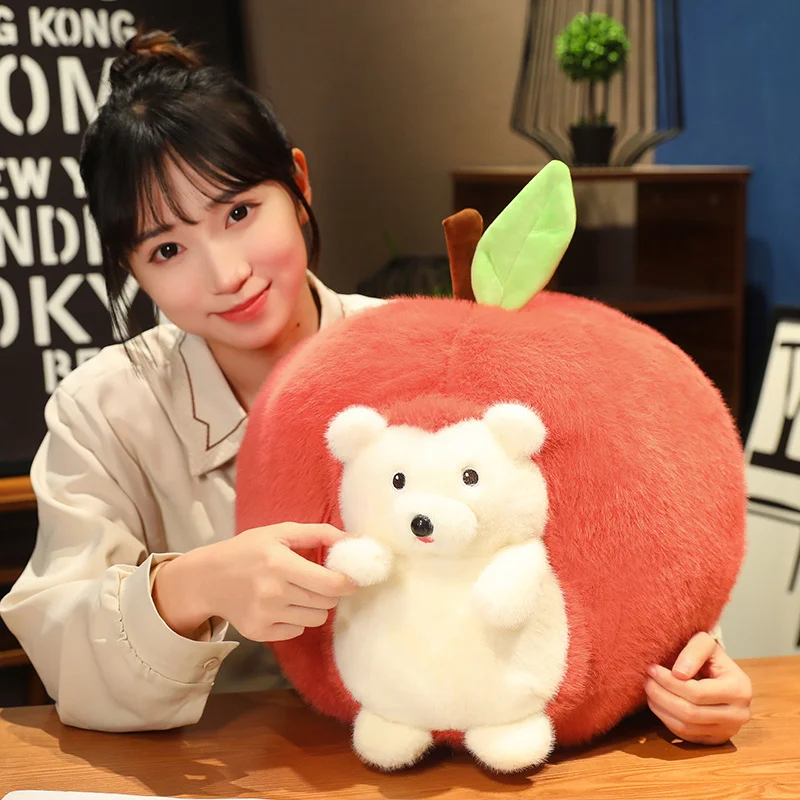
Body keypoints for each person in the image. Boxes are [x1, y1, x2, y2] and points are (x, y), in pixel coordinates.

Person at [0, 30, 751, 745]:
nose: (226, 273)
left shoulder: (434, 353)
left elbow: (583, 532)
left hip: (460, 760)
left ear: (298, 183)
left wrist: (693, 669)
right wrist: (192, 588)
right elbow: (61, 647)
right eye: (168, 249)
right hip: (223, 768)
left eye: (239, 212)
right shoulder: (106, 409)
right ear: (130, 268)